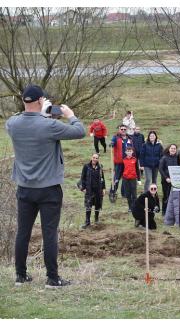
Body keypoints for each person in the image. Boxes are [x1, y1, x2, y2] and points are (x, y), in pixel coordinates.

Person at [6, 84, 85, 288]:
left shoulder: (12, 124)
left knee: (23, 232)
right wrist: (70, 114)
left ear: (24, 101)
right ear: (42, 101)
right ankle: (52, 278)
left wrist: (39, 112)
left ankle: (20, 276)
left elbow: (22, 119)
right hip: (49, 188)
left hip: (24, 187)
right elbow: (80, 131)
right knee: (49, 233)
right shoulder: (49, 126)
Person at [79, 153, 106, 229]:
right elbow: (82, 178)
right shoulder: (86, 167)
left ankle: (96, 220)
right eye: (94, 157)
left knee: (98, 204)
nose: (95, 159)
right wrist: (83, 188)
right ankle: (87, 222)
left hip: (98, 189)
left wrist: (103, 188)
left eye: (96, 158)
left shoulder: (100, 167)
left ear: (98, 159)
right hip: (89, 189)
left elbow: (102, 178)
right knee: (88, 205)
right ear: (91, 158)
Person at [110, 125, 133, 197]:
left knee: (125, 178)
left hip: (127, 161)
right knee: (116, 177)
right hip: (119, 162)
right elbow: (112, 143)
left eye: (124, 129)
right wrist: (111, 144)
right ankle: (112, 192)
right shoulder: (116, 137)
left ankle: (124, 193)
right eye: (122, 129)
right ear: (119, 130)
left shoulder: (130, 138)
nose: (123, 130)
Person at [159, 144, 178, 215]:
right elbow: (161, 169)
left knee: (175, 196)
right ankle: (164, 211)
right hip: (166, 181)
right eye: (172, 148)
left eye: (174, 148)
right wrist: (166, 178)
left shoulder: (178, 158)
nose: (173, 150)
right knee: (166, 196)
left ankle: (173, 211)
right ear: (169, 149)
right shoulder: (164, 158)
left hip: (176, 181)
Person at [122, 147, 141, 212]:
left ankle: (134, 207)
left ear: (132, 152)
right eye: (128, 151)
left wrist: (139, 179)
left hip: (133, 179)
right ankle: (130, 207)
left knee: (134, 194)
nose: (129, 152)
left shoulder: (135, 160)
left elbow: (137, 170)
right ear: (125, 152)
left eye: (130, 151)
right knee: (128, 194)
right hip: (126, 179)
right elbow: (121, 169)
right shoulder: (123, 160)